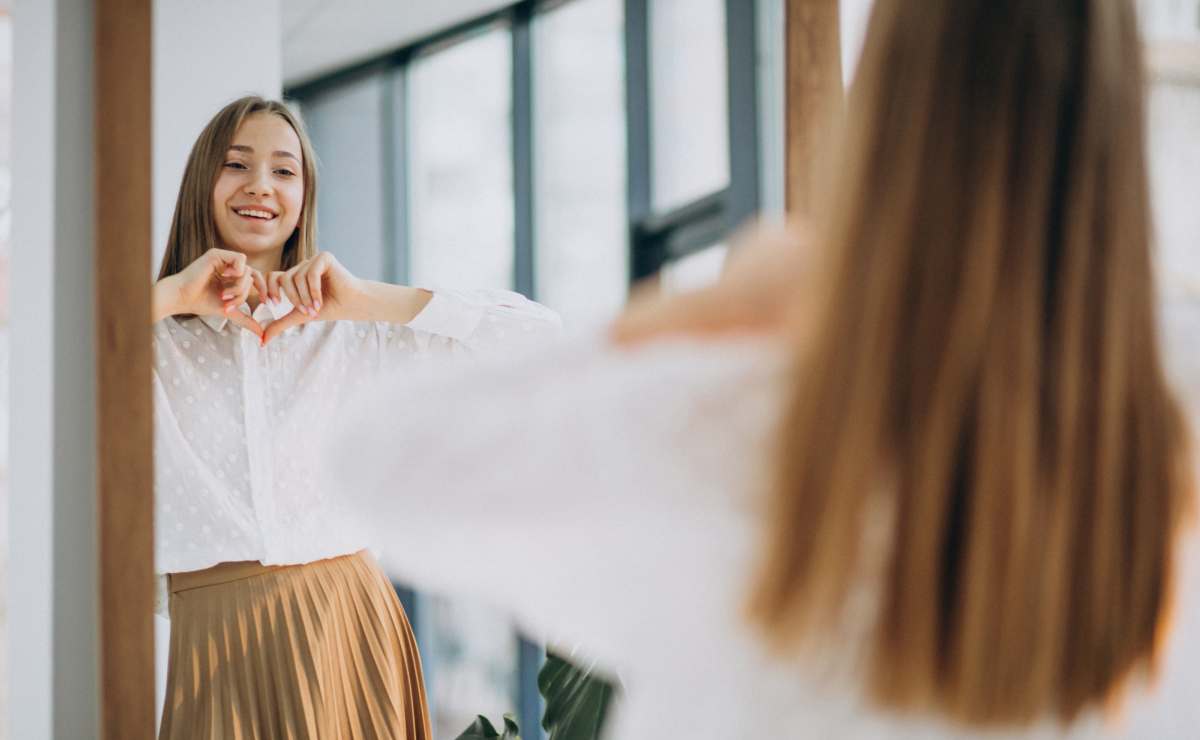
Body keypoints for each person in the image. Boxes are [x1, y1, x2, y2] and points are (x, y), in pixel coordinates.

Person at [325, 0, 1196, 737]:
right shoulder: (1165, 438)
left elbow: (375, 456)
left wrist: (705, 307)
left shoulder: (757, 418)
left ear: (887, 118)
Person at [151, 96, 560, 739]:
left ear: (305, 197)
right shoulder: (150, 342)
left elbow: (539, 338)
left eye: (285, 171)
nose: (261, 185)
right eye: (237, 165)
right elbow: (35, 354)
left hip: (346, 619)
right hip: (216, 636)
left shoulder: (357, 334)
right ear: (203, 181)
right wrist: (170, 294)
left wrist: (369, 300)